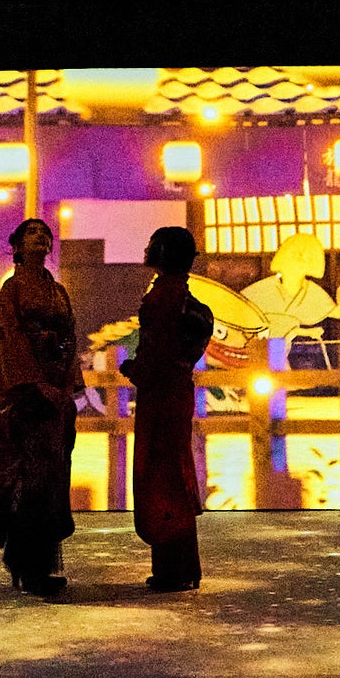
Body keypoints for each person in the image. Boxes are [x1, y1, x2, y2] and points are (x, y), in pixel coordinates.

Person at [0, 216, 83, 597]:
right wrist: (37, 384)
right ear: (17, 246)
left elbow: (71, 338)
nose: (39, 236)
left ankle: (41, 564)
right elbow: (11, 339)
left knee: (51, 479)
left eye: (44, 232)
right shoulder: (12, 289)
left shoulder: (58, 291)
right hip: (25, 395)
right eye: (31, 232)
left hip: (54, 390)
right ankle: (27, 565)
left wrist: (66, 386)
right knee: (27, 478)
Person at [125, 223, 215, 592]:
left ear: (162, 252)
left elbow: (158, 351)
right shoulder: (181, 295)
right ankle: (182, 565)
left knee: (160, 473)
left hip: (160, 394)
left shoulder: (163, 296)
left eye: (152, 244)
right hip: (177, 390)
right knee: (174, 469)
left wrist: (136, 370)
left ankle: (172, 568)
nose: (146, 249)